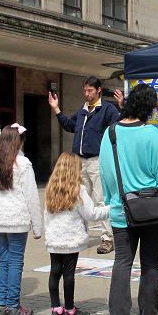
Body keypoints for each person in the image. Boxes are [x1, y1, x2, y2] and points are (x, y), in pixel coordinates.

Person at [99, 84, 158, 315]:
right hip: (151, 210)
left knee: (122, 262)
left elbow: (105, 173)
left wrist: (112, 201)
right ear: (149, 107)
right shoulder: (151, 133)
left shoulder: (110, 133)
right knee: (150, 262)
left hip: (121, 210)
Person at [48, 76, 120, 255]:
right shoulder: (82, 111)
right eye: (85, 90)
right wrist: (56, 109)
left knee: (100, 198)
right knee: (80, 198)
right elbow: (69, 126)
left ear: (99, 91)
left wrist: (123, 107)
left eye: (90, 90)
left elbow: (118, 125)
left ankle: (107, 238)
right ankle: (81, 233)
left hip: (96, 160)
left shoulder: (107, 109)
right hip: (79, 161)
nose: (86, 94)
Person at [0, 124, 42, 315]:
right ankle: (13, 306)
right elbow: (32, 197)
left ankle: (2, 305)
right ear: (19, 142)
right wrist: (38, 226)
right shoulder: (23, 164)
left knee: (4, 261)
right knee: (15, 261)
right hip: (17, 220)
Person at [44, 152, 110, 315]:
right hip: (71, 238)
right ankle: (70, 309)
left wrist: (47, 232)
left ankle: (55, 309)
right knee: (69, 274)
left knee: (54, 272)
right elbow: (91, 214)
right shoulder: (78, 190)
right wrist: (110, 209)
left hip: (54, 237)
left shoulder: (51, 187)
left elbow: (46, 214)